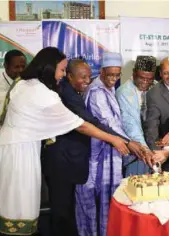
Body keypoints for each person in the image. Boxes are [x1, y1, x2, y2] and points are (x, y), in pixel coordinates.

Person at [0, 47, 129, 236]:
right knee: (21, 209)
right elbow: (81, 125)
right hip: (20, 154)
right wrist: (115, 140)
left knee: (12, 206)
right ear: (49, 68)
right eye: (61, 70)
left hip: (10, 149)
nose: (62, 75)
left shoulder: (24, 84)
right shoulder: (43, 93)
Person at [75, 53, 147, 236]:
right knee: (96, 202)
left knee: (108, 201)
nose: (113, 79)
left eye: (117, 75)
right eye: (110, 75)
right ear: (101, 71)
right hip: (99, 156)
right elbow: (108, 124)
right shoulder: (97, 92)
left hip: (111, 152)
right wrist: (130, 143)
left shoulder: (110, 88)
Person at [116, 55, 156, 176]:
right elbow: (131, 125)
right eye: (141, 78)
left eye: (149, 79)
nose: (145, 82)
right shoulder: (124, 92)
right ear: (133, 73)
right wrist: (146, 150)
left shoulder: (155, 86)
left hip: (155, 151)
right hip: (137, 152)